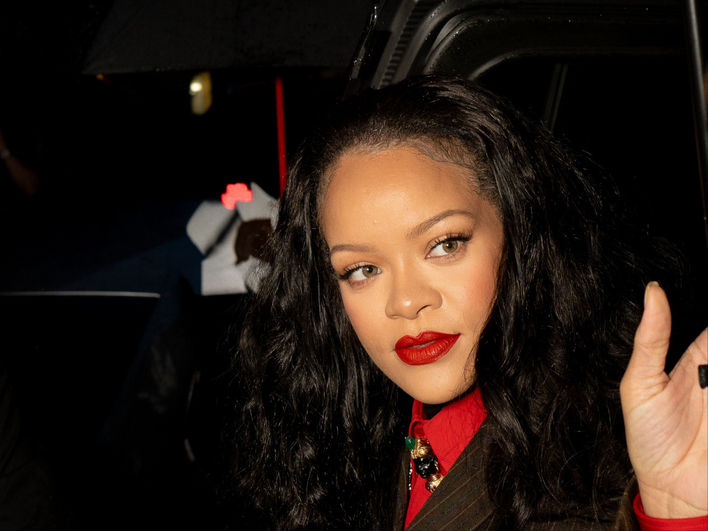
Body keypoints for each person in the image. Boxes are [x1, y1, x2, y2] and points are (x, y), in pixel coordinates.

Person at [226, 76, 707, 529]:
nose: (406, 302)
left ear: (522, 236)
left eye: (445, 244)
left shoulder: (598, 465)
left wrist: (674, 513)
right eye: (363, 270)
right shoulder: (358, 444)